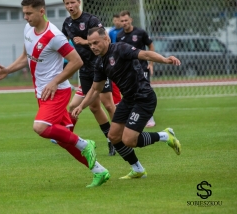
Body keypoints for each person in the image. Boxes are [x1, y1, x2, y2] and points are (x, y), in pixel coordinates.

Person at [0, 0, 110, 188]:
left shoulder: (54, 36)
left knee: (40, 127)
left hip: (57, 92)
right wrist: (8, 70)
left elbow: (76, 61)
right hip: (42, 93)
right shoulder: (28, 29)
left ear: (41, 11)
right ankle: (100, 171)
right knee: (63, 141)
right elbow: (26, 56)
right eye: (24, 13)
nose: (26, 17)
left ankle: (85, 144)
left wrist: (54, 81)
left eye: (29, 13)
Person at [72, 27, 182, 179]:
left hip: (144, 98)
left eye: (96, 43)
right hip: (128, 99)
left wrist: (164, 60)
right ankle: (138, 169)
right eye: (90, 44)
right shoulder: (100, 63)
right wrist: (81, 106)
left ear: (106, 39)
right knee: (114, 136)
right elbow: (95, 89)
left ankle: (165, 136)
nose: (93, 47)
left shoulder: (120, 49)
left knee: (129, 140)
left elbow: (144, 54)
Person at [61, 0, 116, 156]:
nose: (70, 6)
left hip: (100, 66)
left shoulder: (91, 20)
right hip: (84, 70)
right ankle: (110, 139)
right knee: (93, 107)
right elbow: (63, 44)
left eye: (73, 2)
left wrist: (85, 41)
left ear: (79, 2)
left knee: (108, 104)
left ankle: (119, 134)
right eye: (67, 3)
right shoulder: (67, 23)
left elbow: (104, 38)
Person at [117, 10, 156, 128]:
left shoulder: (140, 32)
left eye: (126, 20)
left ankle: (149, 117)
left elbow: (151, 46)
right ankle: (134, 116)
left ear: (131, 20)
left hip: (142, 67)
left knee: (145, 90)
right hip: (128, 70)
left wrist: (151, 63)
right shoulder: (119, 36)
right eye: (122, 21)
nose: (124, 23)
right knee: (130, 92)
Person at [108, 13, 123, 106]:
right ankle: (117, 102)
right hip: (114, 60)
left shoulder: (124, 31)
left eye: (118, 20)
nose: (117, 22)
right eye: (115, 20)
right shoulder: (111, 32)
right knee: (114, 81)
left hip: (124, 59)